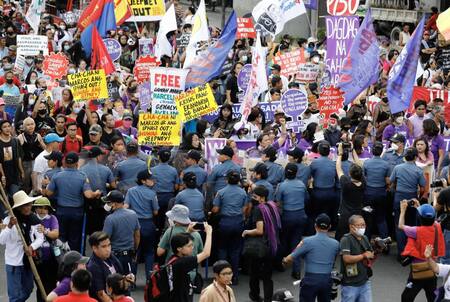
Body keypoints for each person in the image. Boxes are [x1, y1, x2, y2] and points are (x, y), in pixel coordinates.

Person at [45, 152, 101, 251]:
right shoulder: (82, 176)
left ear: (65, 163)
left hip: (61, 211)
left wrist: (44, 186)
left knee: (60, 238)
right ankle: (75, 262)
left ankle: (61, 260)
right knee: (75, 239)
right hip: (77, 212)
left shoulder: (57, 176)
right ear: (77, 163)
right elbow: (88, 195)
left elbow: (48, 193)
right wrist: (96, 193)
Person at [282, 214, 339, 302]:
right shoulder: (335, 244)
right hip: (327, 280)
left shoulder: (307, 242)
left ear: (315, 225)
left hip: (311, 280)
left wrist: (284, 261)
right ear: (330, 226)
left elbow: (290, 258)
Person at [0, 191, 44, 302]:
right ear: (19, 208)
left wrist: (31, 247)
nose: (28, 207)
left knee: (28, 289)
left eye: (29, 204)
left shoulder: (34, 220)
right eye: (25, 205)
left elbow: (40, 238)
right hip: (13, 262)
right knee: (14, 295)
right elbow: (2, 240)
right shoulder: (8, 220)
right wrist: (9, 226)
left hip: (27, 262)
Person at [399, 201, 444, 302]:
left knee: (406, 298)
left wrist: (403, 210)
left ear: (419, 217)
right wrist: (420, 207)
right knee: (432, 297)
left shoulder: (415, 231)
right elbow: (428, 217)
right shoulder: (437, 227)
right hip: (432, 269)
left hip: (417, 271)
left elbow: (401, 226)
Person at [243, 185, 281, 302]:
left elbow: (259, 230)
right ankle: (268, 299)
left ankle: (255, 296)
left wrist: (246, 232)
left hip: (259, 247)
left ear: (262, 198)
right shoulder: (272, 206)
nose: (253, 198)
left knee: (254, 274)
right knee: (267, 277)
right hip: (271, 245)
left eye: (255, 196)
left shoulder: (258, 209)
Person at [212, 170, 247, 283]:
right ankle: (235, 276)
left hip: (225, 223)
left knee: (222, 249)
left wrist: (211, 212)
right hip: (238, 222)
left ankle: (222, 276)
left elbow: (216, 209)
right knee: (235, 250)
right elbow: (245, 208)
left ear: (226, 180)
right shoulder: (243, 192)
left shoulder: (221, 192)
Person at [390, 148, 426, 257]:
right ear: (416, 157)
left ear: (405, 157)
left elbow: (391, 181)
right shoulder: (418, 170)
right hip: (412, 198)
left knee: (399, 225)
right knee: (411, 225)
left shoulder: (397, 168)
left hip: (399, 197)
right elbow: (423, 187)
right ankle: (410, 251)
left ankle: (402, 253)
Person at [276, 163, 309, 279]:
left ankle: (280, 264)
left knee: (283, 240)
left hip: (287, 216)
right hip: (300, 215)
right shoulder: (301, 184)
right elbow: (306, 199)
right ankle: (296, 270)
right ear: (296, 173)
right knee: (296, 243)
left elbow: (278, 203)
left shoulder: (282, 186)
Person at [167, 223, 213, 302]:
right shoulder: (184, 262)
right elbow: (206, 253)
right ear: (179, 249)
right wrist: (209, 233)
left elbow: (181, 242)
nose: (192, 247)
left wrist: (188, 231)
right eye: (189, 246)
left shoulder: (173, 258)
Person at [102, 190, 140, 277]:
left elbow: (104, 238)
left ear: (114, 204)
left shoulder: (110, 219)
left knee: (115, 282)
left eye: (108, 203)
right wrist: (134, 250)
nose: (107, 205)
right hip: (129, 256)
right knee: (127, 282)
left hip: (114, 256)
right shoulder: (133, 214)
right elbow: (137, 235)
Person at [80, 146, 116, 234]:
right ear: (98, 156)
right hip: (101, 203)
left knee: (89, 228)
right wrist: (106, 184)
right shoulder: (106, 169)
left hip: (87, 203)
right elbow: (113, 185)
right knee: (101, 228)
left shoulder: (82, 169)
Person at [87, 231, 130, 301]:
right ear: (94, 248)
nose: (108, 249)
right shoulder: (93, 266)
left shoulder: (112, 258)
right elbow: (101, 294)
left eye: (109, 245)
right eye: (104, 246)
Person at [340, 215, 374, 302]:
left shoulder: (365, 238)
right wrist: (363, 256)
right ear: (351, 226)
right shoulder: (346, 239)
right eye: (359, 225)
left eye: (364, 225)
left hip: (365, 282)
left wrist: (377, 250)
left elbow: (370, 256)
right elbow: (346, 258)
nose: (362, 227)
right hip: (350, 284)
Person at [335, 144, 366, 241]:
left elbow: (338, 168)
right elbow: (360, 165)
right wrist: (353, 150)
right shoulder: (363, 183)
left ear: (349, 174)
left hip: (345, 216)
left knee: (340, 237)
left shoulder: (346, 183)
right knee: (356, 237)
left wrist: (340, 154)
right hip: (358, 215)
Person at [33, 197, 59, 302]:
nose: (42, 210)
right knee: (40, 286)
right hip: (38, 259)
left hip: (51, 258)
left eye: (45, 208)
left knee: (52, 285)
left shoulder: (52, 219)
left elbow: (55, 234)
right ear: (35, 209)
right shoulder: (32, 218)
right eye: (39, 208)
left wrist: (45, 231)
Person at [363, 141, 391, 239]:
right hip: (381, 194)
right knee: (381, 218)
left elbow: (364, 178)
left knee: (368, 218)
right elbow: (388, 181)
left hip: (369, 194)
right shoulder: (386, 165)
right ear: (381, 151)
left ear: (372, 151)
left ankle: (366, 242)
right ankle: (385, 242)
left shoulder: (366, 163)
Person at [151, 148, 180, 232]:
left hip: (157, 197)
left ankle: (158, 232)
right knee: (168, 218)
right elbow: (176, 187)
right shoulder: (173, 170)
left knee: (157, 218)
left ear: (158, 157)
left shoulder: (153, 170)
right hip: (169, 197)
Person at [310, 140, 337, 222]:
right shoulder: (333, 163)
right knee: (327, 213)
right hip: (330, 192)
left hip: (318, 192)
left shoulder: (314, 163)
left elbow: (310, 175)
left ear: (318, 151)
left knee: (316, 214)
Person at [0, 120, 25, 197]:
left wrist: (22, 171)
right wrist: (3, 176)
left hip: (15, 175)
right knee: (4, 200)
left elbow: (19, 157)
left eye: (9, 126)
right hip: (3, 176)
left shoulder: (15, 141)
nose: (7, 128)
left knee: (15, 197)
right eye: (4, 127)